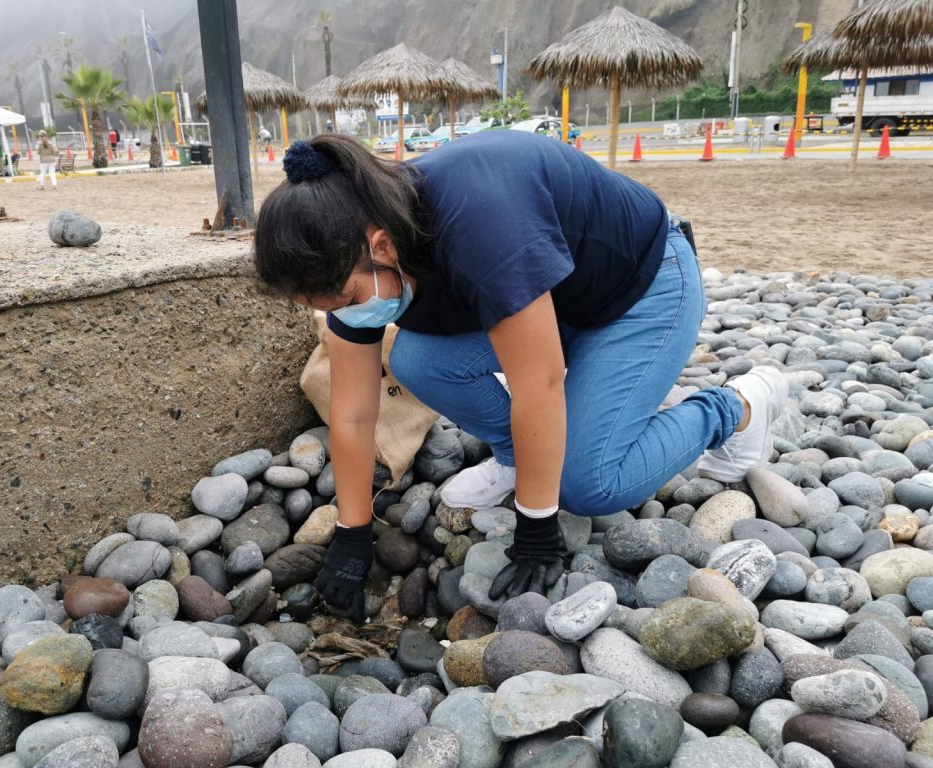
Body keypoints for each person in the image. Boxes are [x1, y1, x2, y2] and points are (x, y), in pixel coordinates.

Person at [254, 132, 787, 622]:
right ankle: (522, 460)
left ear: (382, 246)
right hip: (551, 302)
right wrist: (352, 532)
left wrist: (536, 528)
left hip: (640, 290)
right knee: (417, 359)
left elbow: (540, 381)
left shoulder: (480, 224)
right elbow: (351, 411)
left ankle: (736, 405)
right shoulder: (359, 251)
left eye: (347, 300)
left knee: (589, 484)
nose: (346, 314)